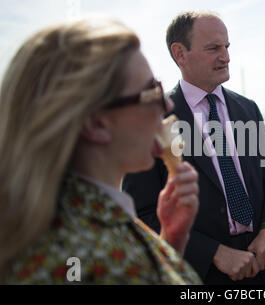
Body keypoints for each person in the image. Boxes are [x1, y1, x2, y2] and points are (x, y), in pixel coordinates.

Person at [0, 18, 201, 284]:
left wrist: (170, 241)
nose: (166, 104)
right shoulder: (88, 253)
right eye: (151, 91)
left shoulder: (60, 225)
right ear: (95, 122)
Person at [123, 11, 265, 284]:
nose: (226, 57)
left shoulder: (248, 109)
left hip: (264, 270)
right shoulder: (149, 120)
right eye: (213, 48)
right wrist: (214, 253)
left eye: (227, 47)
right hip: (200, 277)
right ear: (180, 54)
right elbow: (140, 215)